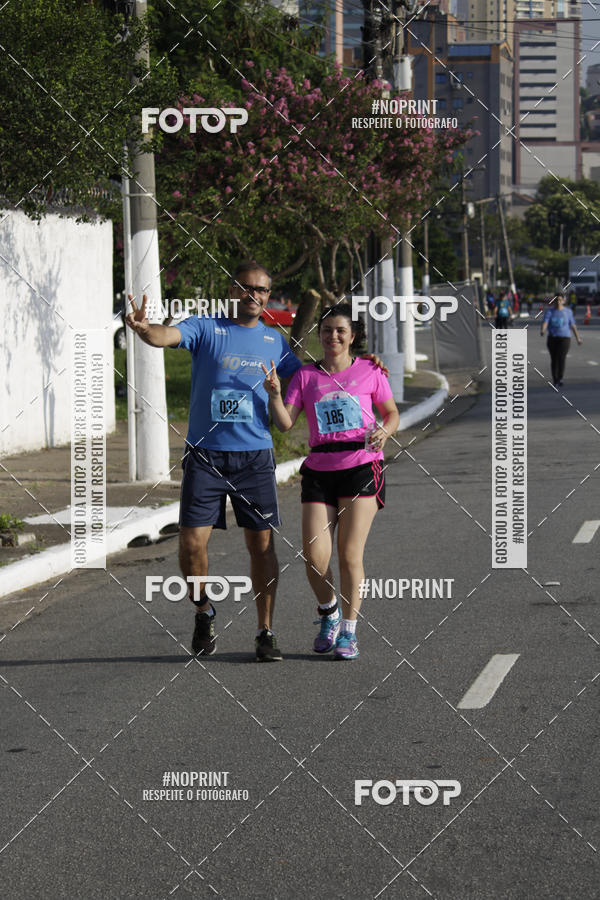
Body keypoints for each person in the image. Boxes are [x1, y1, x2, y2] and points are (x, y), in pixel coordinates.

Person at [126, 262, 387, 662]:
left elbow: (318, 377)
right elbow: (167, 335)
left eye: (262, 290)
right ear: (234, 290)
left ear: (268, 295)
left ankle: (265, 631)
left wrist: (364, 362)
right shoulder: (205, 328)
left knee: (261, 545)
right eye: (247, 288)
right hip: (205, 454)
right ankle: (203, 610)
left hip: (255, 456)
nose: (255, 295)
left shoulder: (275, 343)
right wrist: (146, 331)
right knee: (191, 542)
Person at [262, 303, 400, 660]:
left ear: (352, 336)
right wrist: (275, 394)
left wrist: (385, 431)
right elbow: (285, 423)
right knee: (314, 556)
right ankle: (329, 614)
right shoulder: (307, 377)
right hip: (319, 470)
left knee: (348, 553)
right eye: (326, 330)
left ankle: (349, 633)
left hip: (361, 466)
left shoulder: (370, 369)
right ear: (319, 335)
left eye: (340, 330)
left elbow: (391, 413)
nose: (332, 336)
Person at [540, 293, 582, 387]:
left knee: (561, 357)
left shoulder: (568, 312)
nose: (558, 302)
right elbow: (545, 322)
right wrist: (543, 330)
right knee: (554, 359)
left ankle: (560, 377)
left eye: (559, 300)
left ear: (563, 300)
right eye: (556, 300)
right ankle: (555, 379)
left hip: (565, 338)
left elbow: (573, 325)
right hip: (552, 338)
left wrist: (578, 338)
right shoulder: (550, 312)